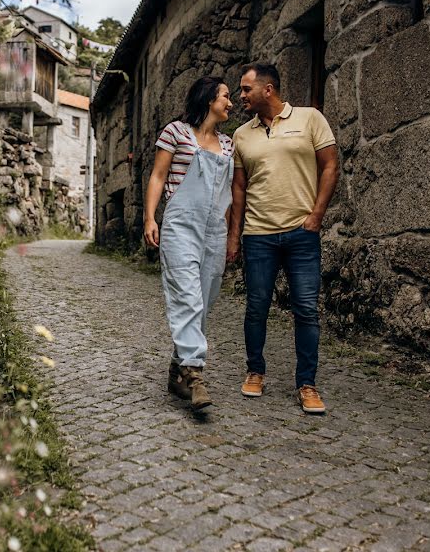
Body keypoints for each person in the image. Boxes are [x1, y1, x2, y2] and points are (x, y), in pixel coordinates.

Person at [227, 63, 339, 414]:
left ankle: (307, 384)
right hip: (258, 235)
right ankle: (255, 371)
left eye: (246, 89)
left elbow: (330, 166)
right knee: (256, 307)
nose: (240, 96)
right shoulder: (242, 136)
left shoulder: (310, 119)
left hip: (301, 234)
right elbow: (239, 187)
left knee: (306, 309)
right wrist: (235, 236)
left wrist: (316, 216)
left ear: (268, 89)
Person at [144, 76, 235, 410]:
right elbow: (158, 176)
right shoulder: (176, 132)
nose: (230, 102)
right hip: (181, 225)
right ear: (209, 98)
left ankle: (176, 368)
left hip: (214, 229)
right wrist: (150, 217)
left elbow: (227, 193)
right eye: (226, 96)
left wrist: (229, 235)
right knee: (187, 295)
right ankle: (194, 374)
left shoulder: (228, 145)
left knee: (204, 300)